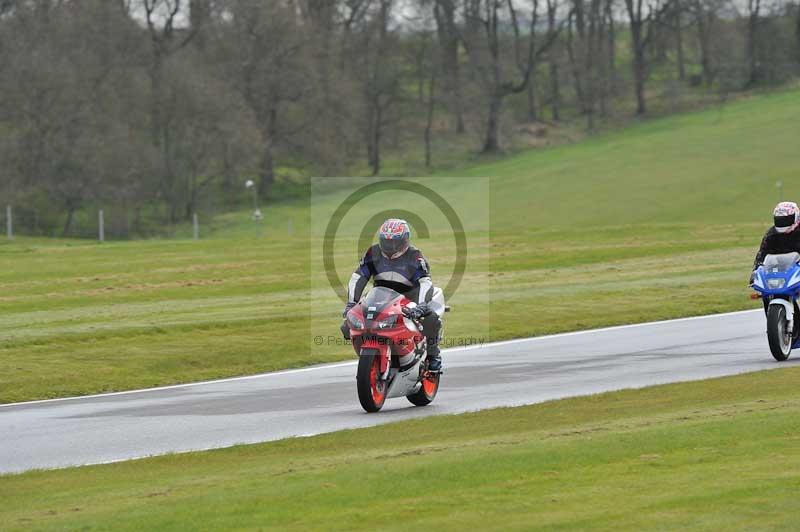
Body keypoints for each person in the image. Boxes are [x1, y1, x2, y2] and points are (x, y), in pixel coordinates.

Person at [342, 218, 443, 372]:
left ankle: (433, 355)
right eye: (387, 242)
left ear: (405, 240)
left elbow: (425, 282)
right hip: (380, 296)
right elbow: (359, 277)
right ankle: (372, 356)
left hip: (409, 297)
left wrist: (422, 305)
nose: (391, 246)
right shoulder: (372, 253)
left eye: (395, 242)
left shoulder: (415, 256)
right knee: (347, 325)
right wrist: (351, 303)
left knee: (431, 320)